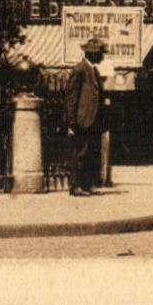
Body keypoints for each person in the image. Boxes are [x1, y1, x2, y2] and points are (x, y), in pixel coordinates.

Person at [65, 35, 107, 196]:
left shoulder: (93, 69)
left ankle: (87, 184)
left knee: (91, 153)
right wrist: (71, 121)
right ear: (92, 53)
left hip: (93, 120)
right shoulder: (80, 69)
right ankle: (76, 186)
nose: (102, 56)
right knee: (80, 153)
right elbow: (71, 97)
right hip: (82, 120)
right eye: (100, 53)